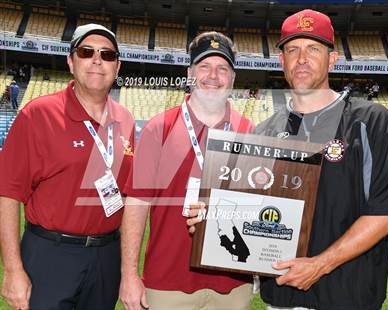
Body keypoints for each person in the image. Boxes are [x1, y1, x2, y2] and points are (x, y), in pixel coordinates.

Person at [185, 9, 388, 310]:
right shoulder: (265, 131)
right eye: (293, 50)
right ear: (281, 61)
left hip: (349, 299)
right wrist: (211, 216)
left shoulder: (370, 121)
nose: (302, 59)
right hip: (282, 299)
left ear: (332, 59)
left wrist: (320, 265)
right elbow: (246, 210)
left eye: (313, 48)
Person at [0, 24, 135, 310]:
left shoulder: (126, 120)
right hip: (50, 254)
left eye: (107, 55)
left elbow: (129, 196)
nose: (97, 60)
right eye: (87, 52)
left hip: (106, 257)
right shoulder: (38, 114)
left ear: (118, 66)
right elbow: (8, 194)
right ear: (71, 62)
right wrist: (12, 270)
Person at [120, 31, 255, 310]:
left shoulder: (249, 132)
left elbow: (256, 205)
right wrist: (130, 275)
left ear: (233, 77)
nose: (213, 76)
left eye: (222, 68)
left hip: (232, 285)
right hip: (168, 283)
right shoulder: (159, 128)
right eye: (204, 66)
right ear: (190, 73)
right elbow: (137, 203)